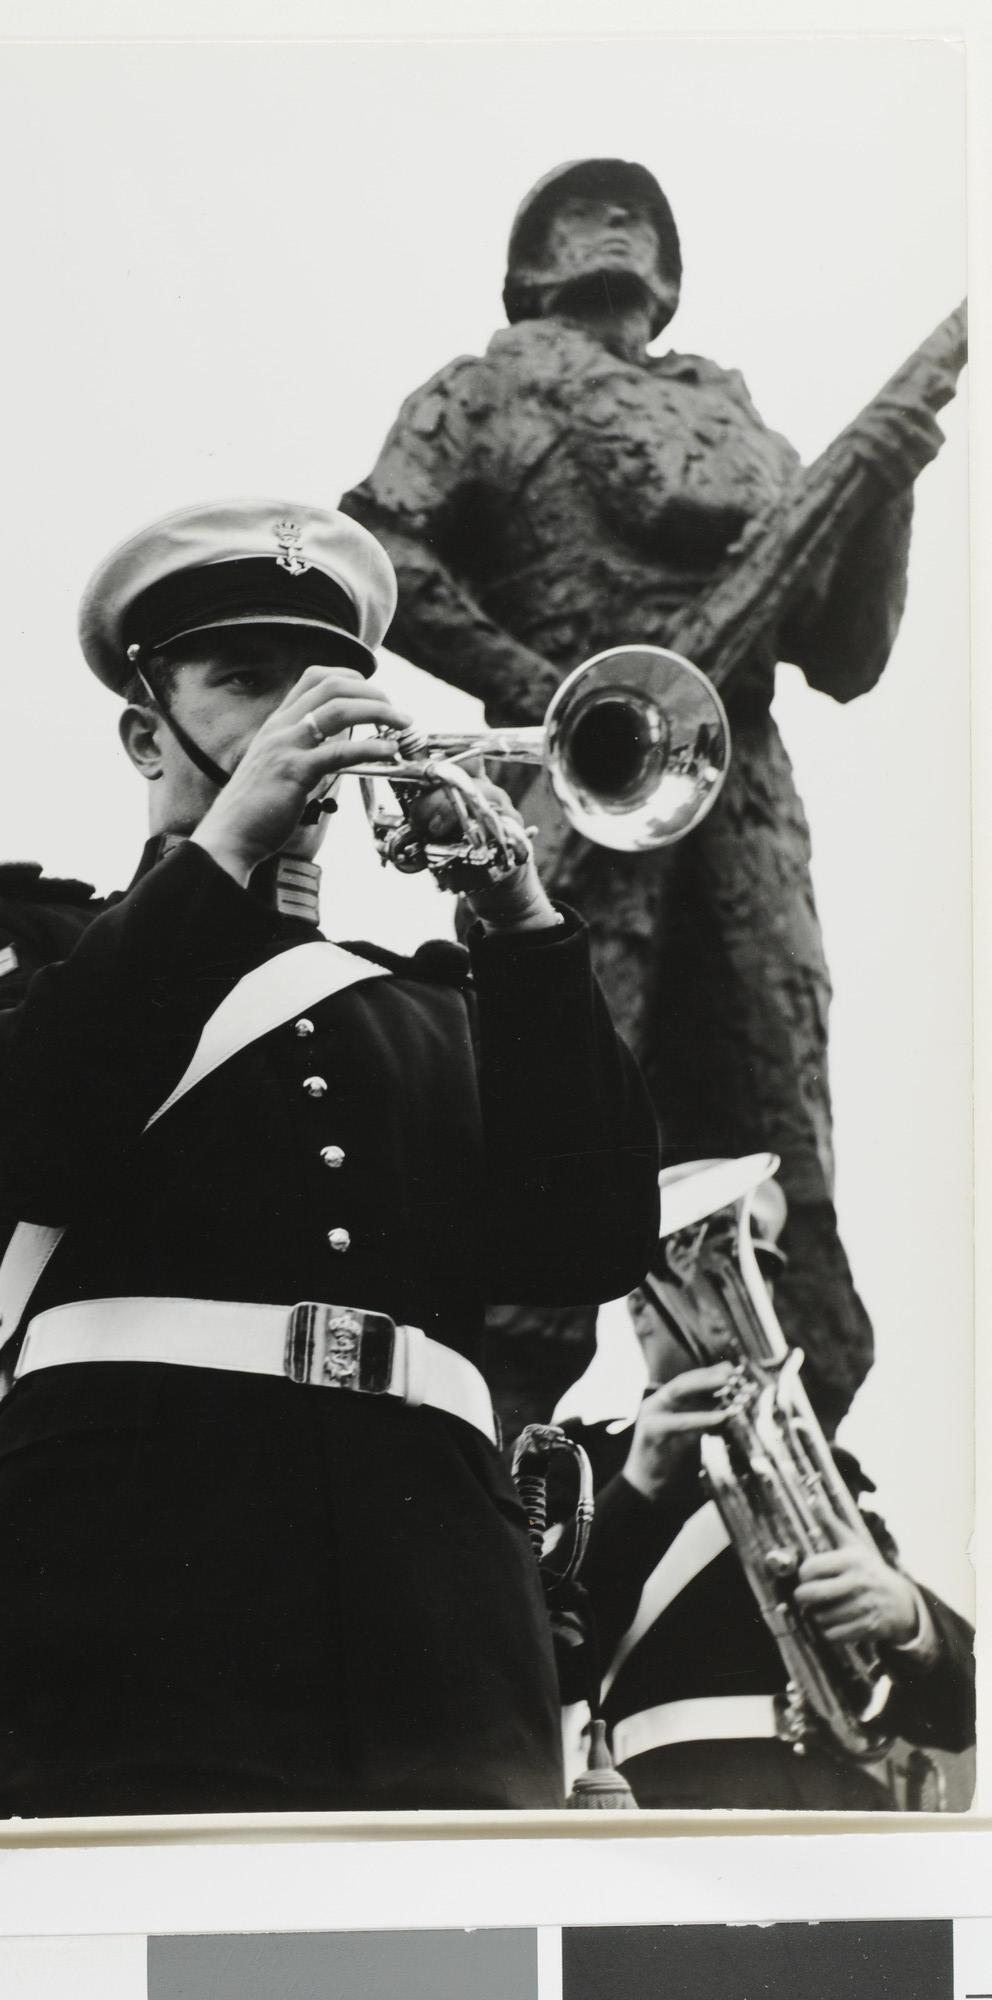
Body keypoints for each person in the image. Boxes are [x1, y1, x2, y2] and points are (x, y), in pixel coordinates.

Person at [0, 497, 659, 1820]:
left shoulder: (438, 1001)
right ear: (148, 731)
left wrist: (523, 922)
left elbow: (584, 1243)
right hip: (129, 1577)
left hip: (434, 1595)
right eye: (244, 681)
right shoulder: (17, 937)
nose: (300, 720)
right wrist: (227, 847)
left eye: (324, 689)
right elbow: (19, 1135)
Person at [340, 158, 955, 1436]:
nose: (614, 222)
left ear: (671, 272)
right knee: (537, 1181)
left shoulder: (738, 419)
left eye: (638, 213)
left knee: (778, 1177)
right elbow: (384, 552)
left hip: (739, 812)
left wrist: (884, 486)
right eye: (581, 209)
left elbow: (843, 656)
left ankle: (758, 1512)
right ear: (529, 260)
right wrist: (555, 694)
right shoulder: (484, 386)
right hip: (569, 808)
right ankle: (499, 1499)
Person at [556, 1164, 974, 1810]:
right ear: (640, 1306)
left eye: (757, 1271)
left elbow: (959, 1711)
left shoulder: (829, 1473)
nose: (745, 1298)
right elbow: (547, 1659)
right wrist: (637, 1489)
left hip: (841, 1805)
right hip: (673, 1802)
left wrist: (907, 1615)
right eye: (709, 1275)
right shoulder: (580, 1459)